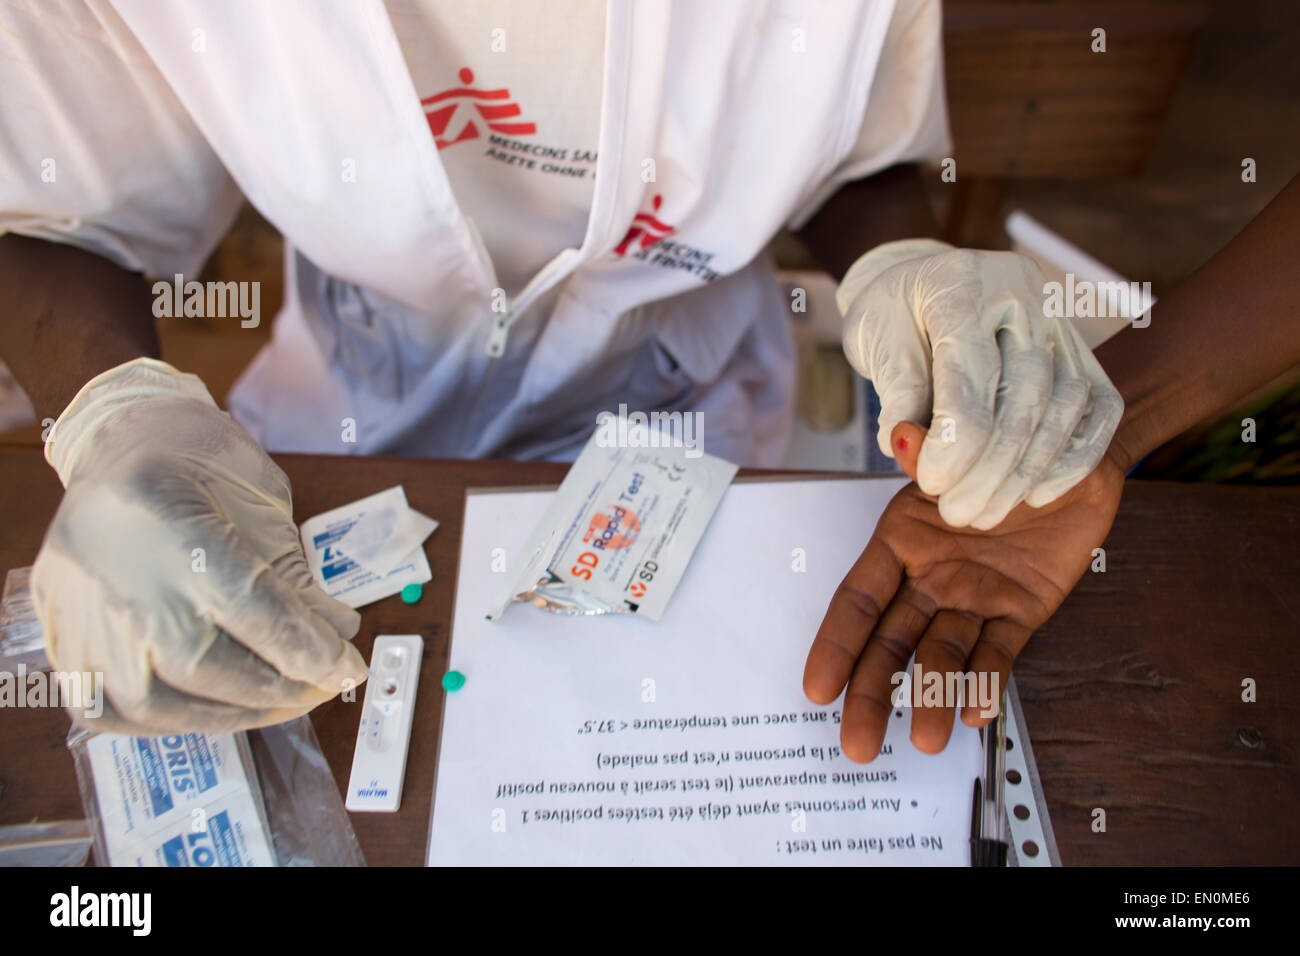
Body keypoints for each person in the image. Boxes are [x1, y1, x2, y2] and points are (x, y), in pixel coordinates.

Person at [3, 2, 1295, 757]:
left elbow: (852, 145)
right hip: (346, 412)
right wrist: (113, 415)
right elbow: (51, 214)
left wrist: (905, 257)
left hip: (702, 406)